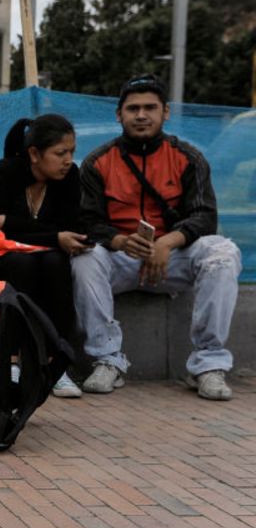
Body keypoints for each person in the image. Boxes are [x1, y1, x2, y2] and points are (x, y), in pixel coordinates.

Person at [72, 74, 242, 400]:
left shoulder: (188, 157)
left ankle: (208, 365)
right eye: (133, 108)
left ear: (165, 112)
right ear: (118, 115)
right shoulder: (97, 162)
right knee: (85, 256)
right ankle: (107, 360)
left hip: (173, 259)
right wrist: (120, 241)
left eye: (150, 107)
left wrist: (167, 242)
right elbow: (87, 220)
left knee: (222, 252)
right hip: (121, 259)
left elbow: (206, 217)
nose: (141, 115)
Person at [0, 114, 89, 398]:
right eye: (60, 153)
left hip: (43, 258)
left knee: (54, 261)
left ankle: (53, 365)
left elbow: (71, 228)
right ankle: (10, 361)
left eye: (71, 152)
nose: (68, 160)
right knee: (23, 264)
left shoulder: (69, 178)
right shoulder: (1, 173)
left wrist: (7, 222)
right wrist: (46, 234)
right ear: (34, 153)